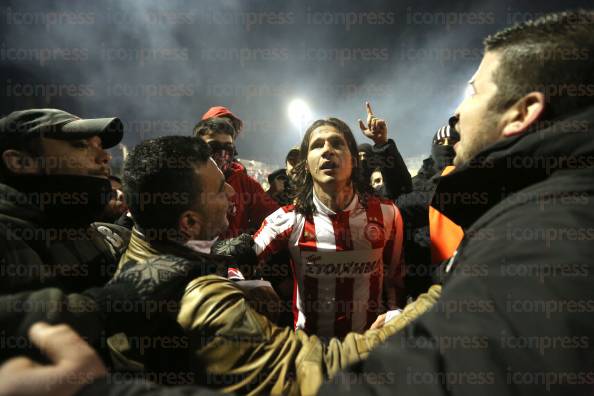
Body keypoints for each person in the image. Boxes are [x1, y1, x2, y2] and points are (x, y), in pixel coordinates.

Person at [321, 10, 594, 395]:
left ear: (522, 112)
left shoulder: (543, 242)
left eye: (474, 93)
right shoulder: (528, 203)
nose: (458, 114)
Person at [105, 135, 439, 395]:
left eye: (338, 143)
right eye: (222, 190)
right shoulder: (200, 299)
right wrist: (434, 304)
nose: (233, 196)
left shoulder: (154, 255)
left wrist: (230, 274)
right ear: (189, 222)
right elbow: (313, 371)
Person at [253, 117, 406, 339]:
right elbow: (237, 266)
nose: (327, 150)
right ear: (305, 165)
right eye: (317, 145)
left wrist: (395, 315)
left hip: (371, 350)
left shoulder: (387, 214)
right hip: (311, 356)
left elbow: (395, 280)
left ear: (353, 160)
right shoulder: (286, 220)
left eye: (336, 143)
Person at [0, 108, 130, 294]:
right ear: (21, 162)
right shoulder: (7, 239)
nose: (105, 157)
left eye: (100, 146)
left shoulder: (98, 232)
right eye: (79, 145)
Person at [396, 122, 462, 298]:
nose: (447, 146)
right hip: (421, 276)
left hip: (458, 272)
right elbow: (398, 205)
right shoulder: (416, 182)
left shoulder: (473, 178)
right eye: (441, 142)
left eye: (452, 141)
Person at [193, 117, 279, 238]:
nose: (222, 155)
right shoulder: (184, 181)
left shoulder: (245, 183)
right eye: (214, 146)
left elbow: (275, 218)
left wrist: (253, 244)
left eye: (228, 148)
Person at [357, 102, 412, 200]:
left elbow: (401, 187)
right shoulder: (354, 196)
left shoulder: (385, 197)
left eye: (365, 156)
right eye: (359, 157)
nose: (362, 160)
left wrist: (381, 143)